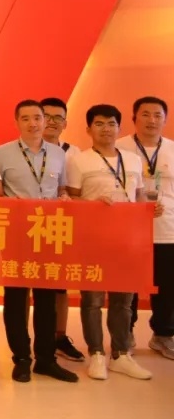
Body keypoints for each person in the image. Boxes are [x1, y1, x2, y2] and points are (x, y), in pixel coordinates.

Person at [67, 104, 159, 381]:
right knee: (92, 300)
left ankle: (120, 354)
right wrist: (92, 204)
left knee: (123, 301)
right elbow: (71, 200)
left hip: (127, 240)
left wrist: (148, 209)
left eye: (111, 124)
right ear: (88, 129)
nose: (105, 129)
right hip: (92, 240)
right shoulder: (79, 161)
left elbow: (138, 196)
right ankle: (96, 353)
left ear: (119, 128)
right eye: (99, 124)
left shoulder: (132, 160)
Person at [0, 99, 78, 383]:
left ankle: (46, 359)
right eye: (26, 118)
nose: (33, 123)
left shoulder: (59, 154)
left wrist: (64, 197)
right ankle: (21, 358)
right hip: (16, 234)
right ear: (17, 122)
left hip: (49, 233)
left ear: (45, 121)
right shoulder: (2, 153)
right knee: (16, 298)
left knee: (46, 299)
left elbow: (61, 188)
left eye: (38, 118)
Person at [115, 96, 174, 360]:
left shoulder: (172, 149)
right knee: (127, 285)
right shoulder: (119, 148)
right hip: (129, 231)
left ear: (165, 119)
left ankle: (163, 335)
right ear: (134, 118)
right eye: (146, 114)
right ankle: (125, 335)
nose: (152, 120)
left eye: (157, 115)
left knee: (167, 287)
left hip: (168, 229)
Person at [37, 97, 87, 363]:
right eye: (46, 116)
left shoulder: (74, 154)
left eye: (58, 117)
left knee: (59, 285)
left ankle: (59, 337)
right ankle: (28, 339)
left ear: (65, 123)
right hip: (27, 226)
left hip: (61, 227)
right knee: (24, 284)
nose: (52, 122)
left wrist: (67, 196)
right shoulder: (20, 150)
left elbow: (75, 189)